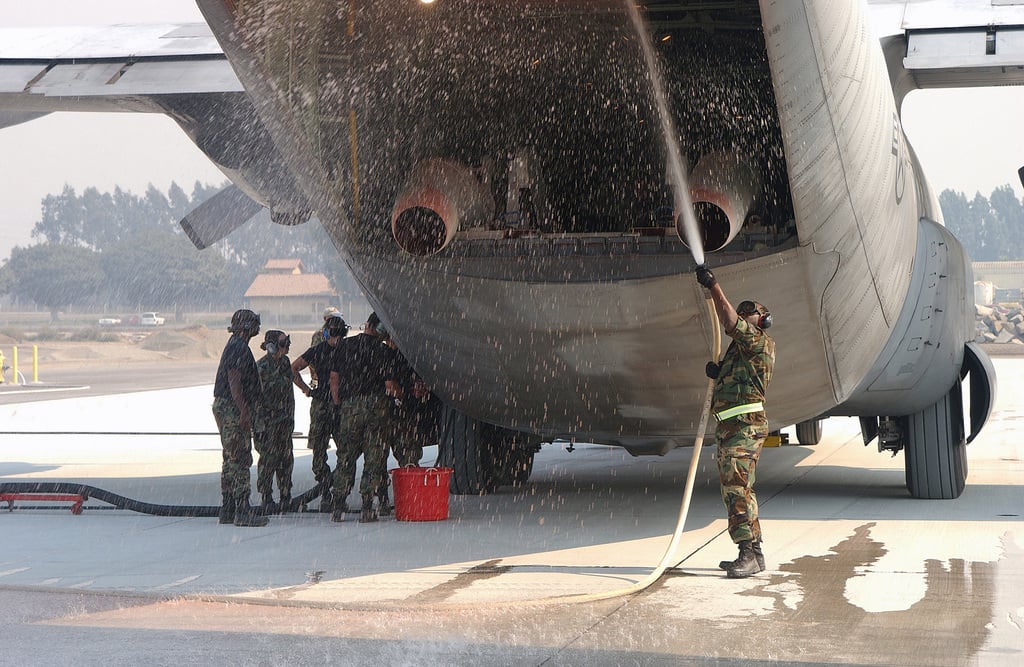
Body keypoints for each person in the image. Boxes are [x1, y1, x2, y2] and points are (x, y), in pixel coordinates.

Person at [696, 265, 775, 578]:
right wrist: (721, 374)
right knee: (741, 490)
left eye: (749, 312)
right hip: (733, 429)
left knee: (736, 490)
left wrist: (713, 286)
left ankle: (747, 552)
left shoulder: (758, 342)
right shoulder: (740, 352)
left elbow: (727, 320)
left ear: (763, 320)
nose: (742, 315)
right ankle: (755, 552)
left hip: (744, 428)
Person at [329, 312, 397, 523]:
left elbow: (334, 378)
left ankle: (338, 505)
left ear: (367, 325)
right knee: (374, 457)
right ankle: (368, 506)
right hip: (376, 407)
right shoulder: (384, 351)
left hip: (350, 406)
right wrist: (400, 398)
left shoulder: (345, 345)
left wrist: (340, 403)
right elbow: (389, 386)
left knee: (346, 456)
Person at [212, 308, 268, 527]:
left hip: (227, 406)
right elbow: (234, 380)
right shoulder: (238, 347)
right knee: (240, 457)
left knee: (230, 457)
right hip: (233, 408)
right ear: (245, 327)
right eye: (253, 324)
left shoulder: (237, 345)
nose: (256, 328)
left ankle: (228, 508)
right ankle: (242, 510)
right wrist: (244, 411)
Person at [292, 314, 349, 512]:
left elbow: (294, 368)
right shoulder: (346, 350)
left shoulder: (318, 350)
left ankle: (331, 492)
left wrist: (307, 389)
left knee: (323, 453)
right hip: (337, 405)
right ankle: (334, 494)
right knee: (342, 453)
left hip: (324, 405)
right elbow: (294, 369)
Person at [254, 329, 295, 514]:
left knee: (286, 460)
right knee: (268, 461)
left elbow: (288, 394)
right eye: (283, 342)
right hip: (268, 423)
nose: (287, 345)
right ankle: (266, 496)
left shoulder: (285, 363)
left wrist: (291, 419)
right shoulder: (261, 368)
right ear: (272, 346)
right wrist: (259, 426)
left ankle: (286, 495)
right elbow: (254, 400)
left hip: (284, 422)